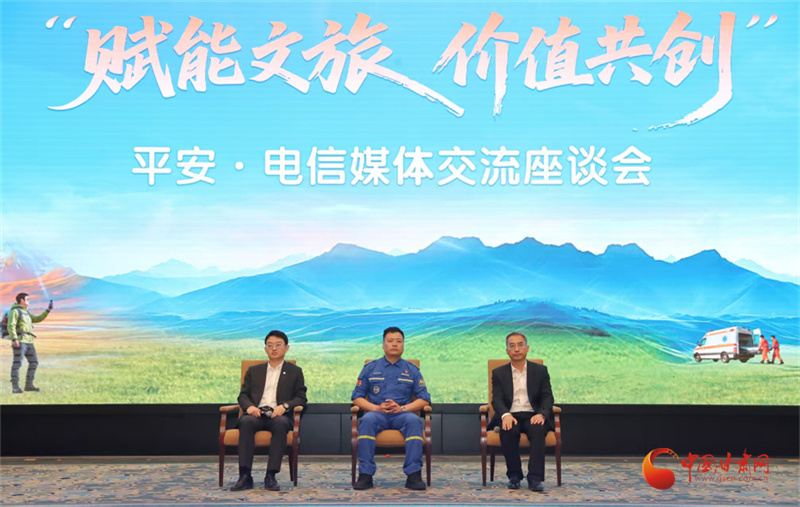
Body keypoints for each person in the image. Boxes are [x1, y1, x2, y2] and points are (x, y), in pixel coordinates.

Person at [351, 326, 430, 491]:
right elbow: (357, 397)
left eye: (399, 341)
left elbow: (424, 399)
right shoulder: (370, 368)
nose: (395, 344)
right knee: (367, 420)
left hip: (402, 414)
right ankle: (365, 475)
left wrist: (403, 408)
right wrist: (375, 408)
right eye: (390, 341)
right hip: (377, 414)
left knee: (414, 421)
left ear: (403, 345)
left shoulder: (412, 370)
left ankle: (413, 475)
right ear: (383, 345)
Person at [230, 330, 307, 492]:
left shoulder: (295, 371)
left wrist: (285, 406)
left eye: (278, 345)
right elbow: (243, 395)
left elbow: (301, 398)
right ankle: (245, 476)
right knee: (246, 421)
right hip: (256, 414)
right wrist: (249, 407)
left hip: (278, 415)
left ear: (286, 348)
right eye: (270, 345)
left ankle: (271, 475)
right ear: (265, 349)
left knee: (281, 424)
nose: (274, 349)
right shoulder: (254, 371)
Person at [490, 331, 555, 492]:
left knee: (538, 429)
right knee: (508, 429)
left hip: (533, 415)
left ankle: (535, 478)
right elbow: (496, 399)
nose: (516, 349)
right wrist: (505, 415)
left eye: (520, 345)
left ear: (527, 348)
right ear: (507, 351)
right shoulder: (499, 373)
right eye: (512, 346)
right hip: (511, 414)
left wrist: (542, 414)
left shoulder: (540, 370)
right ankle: (514, 476)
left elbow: (547, 397)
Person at [8, 293, 52, 394]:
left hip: (29, 342)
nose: (29, 301)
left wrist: (48, 310)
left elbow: (37, 319)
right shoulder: (15, 311)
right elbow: (11, 326)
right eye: (27, 299)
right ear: (21, 300)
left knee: (34, 362)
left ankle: (29, 385)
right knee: (17, 364)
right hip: (20, 341)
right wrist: (14, 339)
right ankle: (15, 387)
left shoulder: (26, 312)